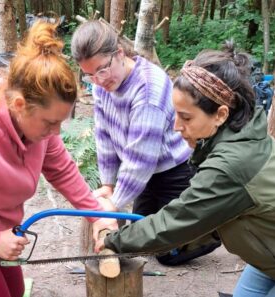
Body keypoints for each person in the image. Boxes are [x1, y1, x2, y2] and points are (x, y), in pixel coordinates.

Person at [95, 41, 275, 297]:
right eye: (175, 115)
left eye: (187, 117)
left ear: (220, 114)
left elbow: (179, 219)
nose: (176, 126)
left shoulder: (233, 164)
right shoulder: (242, 136)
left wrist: (115, 240)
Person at [0, 21, 117, 297]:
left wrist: (97, 216)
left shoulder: (37, 127)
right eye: (50, 123)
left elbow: (62, 170)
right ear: (18, 105)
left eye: (61, 123)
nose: (55, 133)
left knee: (15, 292)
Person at [71, 20, 222, 266]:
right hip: (147, 174)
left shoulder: (149, 88)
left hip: (172, 172)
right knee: (141, 236)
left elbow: (141, 160)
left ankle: (209, 230)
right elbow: (104, 137)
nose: (97, 81)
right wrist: (108, 185)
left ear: (119, 53)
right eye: (88, 75)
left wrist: (112, 205)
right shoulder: (102, 85)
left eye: (101, 70)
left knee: (165, 254)